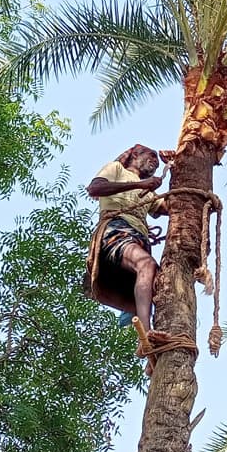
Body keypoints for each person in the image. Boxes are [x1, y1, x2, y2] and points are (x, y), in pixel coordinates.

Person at [84, 144, 168, 345]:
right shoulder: (117, 169)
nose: (155, 162)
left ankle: (148, 338)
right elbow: (95, 188)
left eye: (157, 161)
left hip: (138, 238)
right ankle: (145, 333)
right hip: (115, 230)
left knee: (156, 279)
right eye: (151, 156)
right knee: (146, 265)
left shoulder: (148, 192)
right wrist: (140, 185)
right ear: (135, 155)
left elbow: (170, 207)